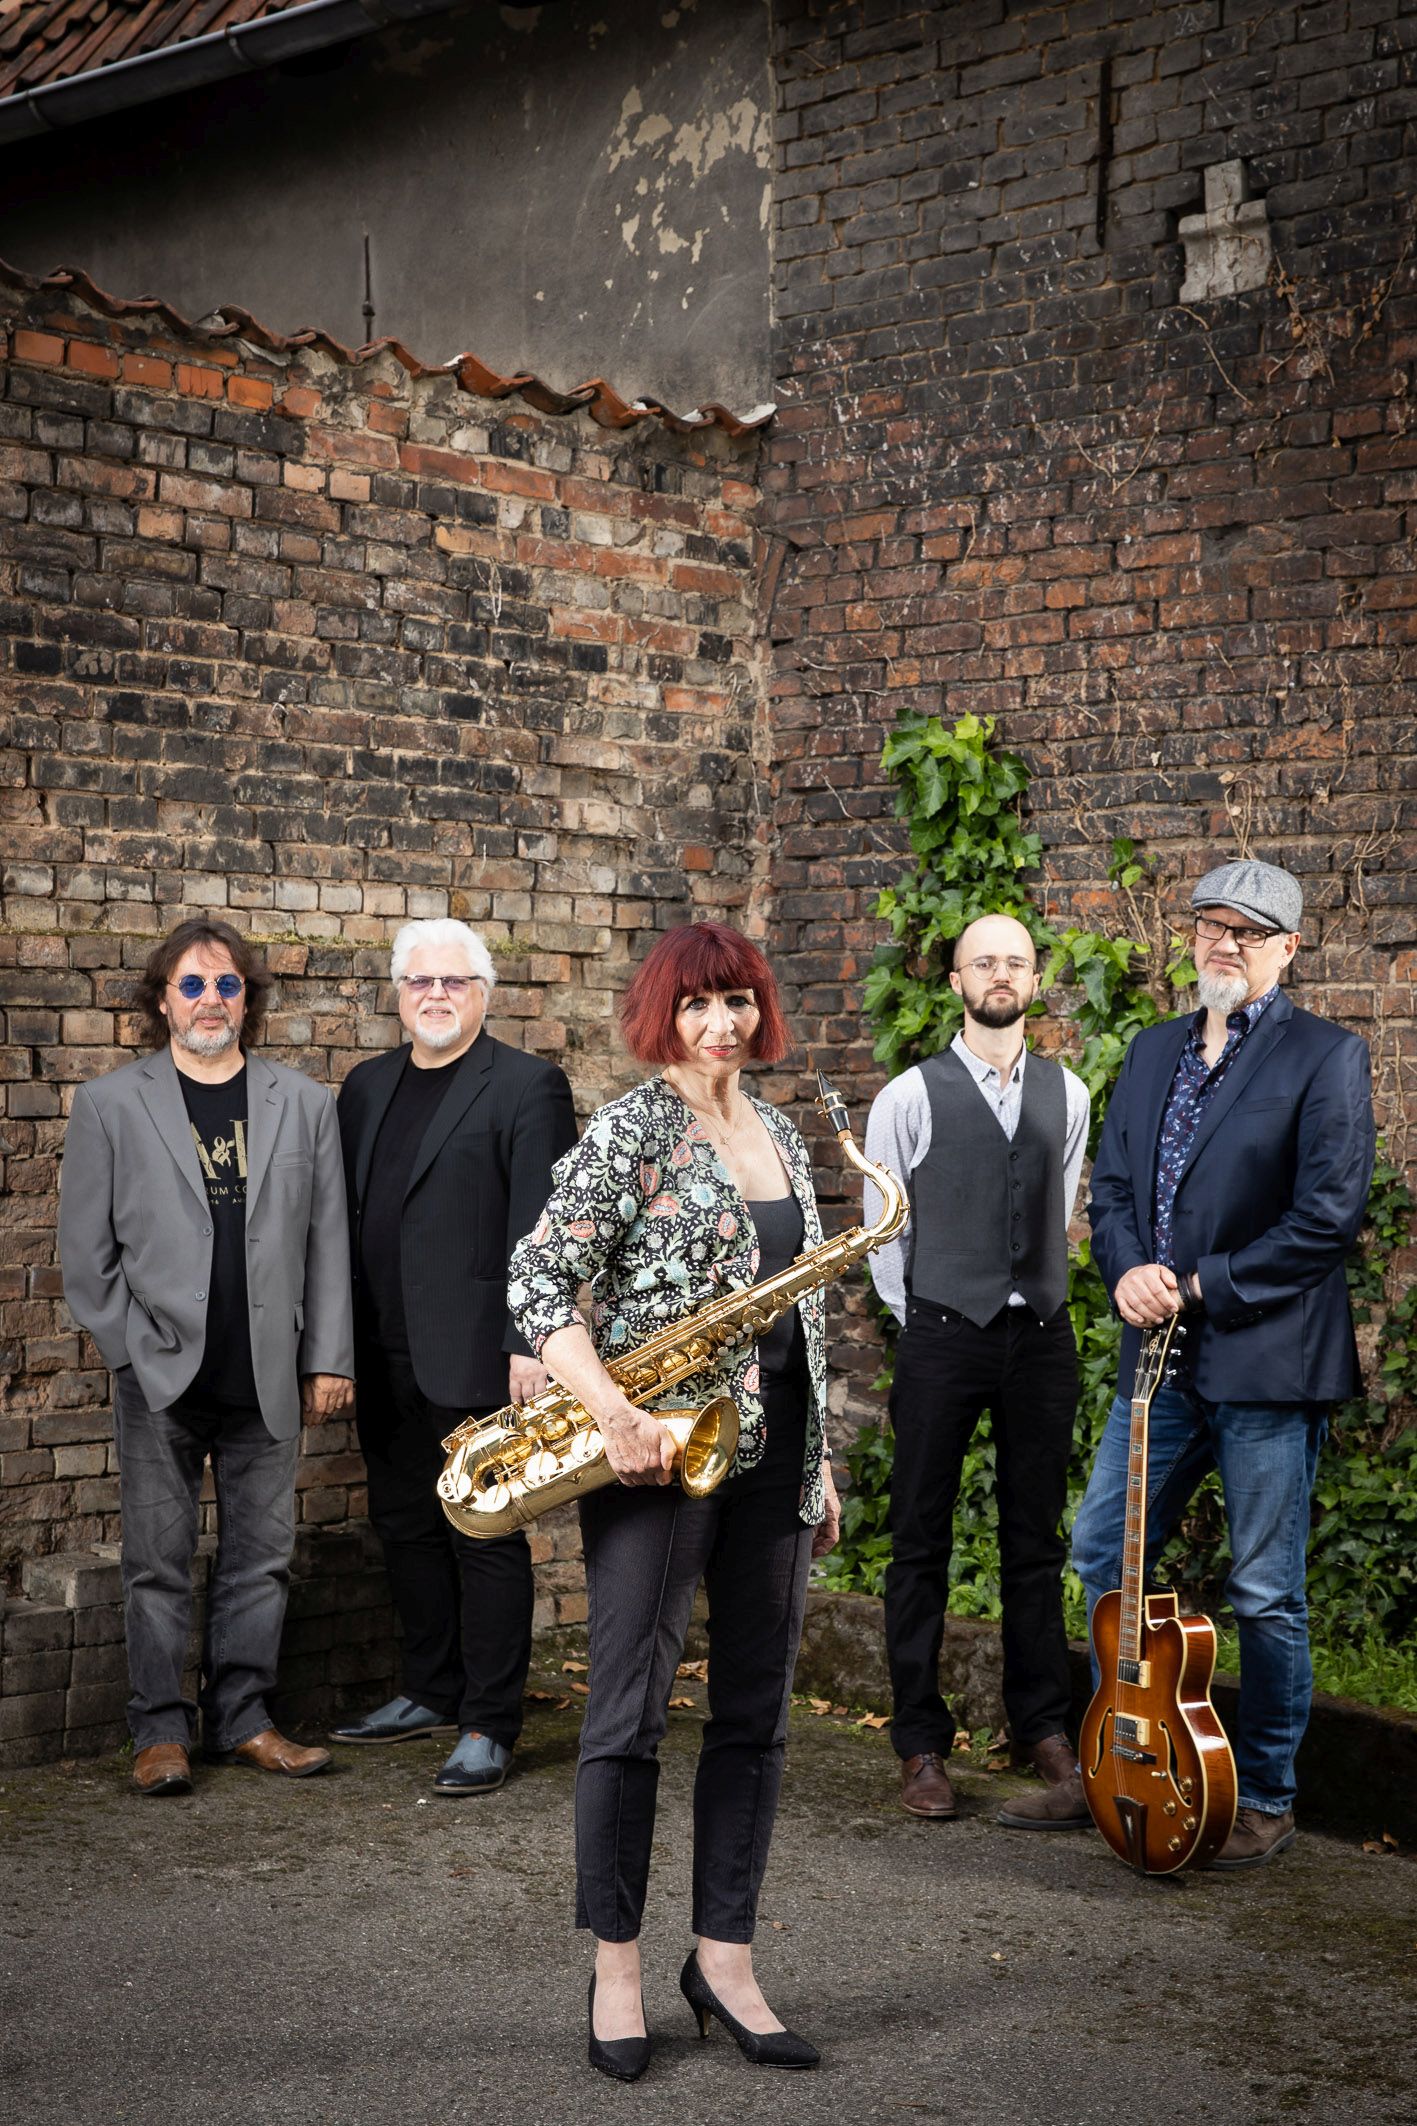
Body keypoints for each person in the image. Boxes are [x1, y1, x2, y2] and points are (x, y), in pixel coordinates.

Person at [507, 921, 838, 2081]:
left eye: (736, 998)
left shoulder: (781, 1131)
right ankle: (616, 1967)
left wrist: (820, 1458)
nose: (720, 1022)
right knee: (627, 1713)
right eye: (697, 1002)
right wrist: (610, 1412)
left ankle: (724, 1960)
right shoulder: (630, 1130)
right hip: (655, 1452)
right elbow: (538, 1278)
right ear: (664, 1010)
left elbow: (803, 1314)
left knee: (755, 1713)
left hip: (775, 1452)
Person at [1074, 859, 1375, 1869]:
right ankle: (1122, 1758)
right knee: (1101, 1553)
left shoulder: (1325, 1055)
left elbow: (1325, 1220)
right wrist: (1125, 1270)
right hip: (1153, 1363)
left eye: (1248, 930)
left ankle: (1269, 1796)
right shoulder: (1152, 1048)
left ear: (1287, 946)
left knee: (1264, 1591)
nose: (1225, 944)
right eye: (1210, 924)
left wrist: (1200, 1284)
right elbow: (1112, 1188)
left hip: (1266, 1363)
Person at [58, 919, 355, 1796]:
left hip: (267, 1371)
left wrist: (327, 1358)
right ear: (164, 1001)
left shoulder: (303, 1104)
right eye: (192, 984)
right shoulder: (111, 1105)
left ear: (247, 999)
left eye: (227, 984)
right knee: (157, 1562)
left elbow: (328, 1244)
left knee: (261, 1558)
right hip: (159, 1373)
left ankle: (244, 1720)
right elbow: (86, 1254)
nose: (210, 1000)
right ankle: (159, 1732)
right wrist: (127, 1350)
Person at [332, 919, 576, 1794]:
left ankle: (488, 1722)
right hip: (381, 1349)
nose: (435, 995)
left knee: (485, 1531)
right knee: (404, 1524)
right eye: (419, 982)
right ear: (398, 995)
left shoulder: (526, 1086)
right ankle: (430, 1690)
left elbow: (542, 1230)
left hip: (477, 1353)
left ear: (483, 993)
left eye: (453, 982)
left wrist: (527, 1343)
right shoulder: (366, 1086)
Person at [864, 914, 1092, 1828]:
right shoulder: (907, 1096)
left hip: (1039, 1337)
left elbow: (1057, 1207)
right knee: (918, 1539)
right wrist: (928, 1317)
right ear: (955, 982)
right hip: (940, 1333)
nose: (1001, 974)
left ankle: (1042, 1727)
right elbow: (885, 1232)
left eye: (1016, 962)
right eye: (983, 962)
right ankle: (920, 1742)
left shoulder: (1068, 1092)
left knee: (1034, 1542)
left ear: (1033, 982)